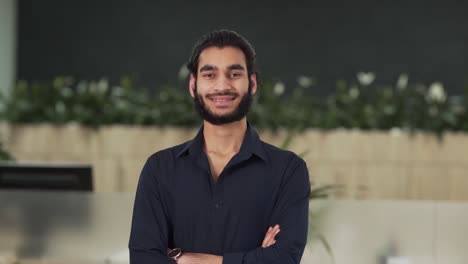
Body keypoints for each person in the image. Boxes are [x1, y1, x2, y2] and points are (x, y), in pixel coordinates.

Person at [129, 29, 310, 264]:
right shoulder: (160, 169)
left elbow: (283, 258)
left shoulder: (288, 170)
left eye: (234, 73)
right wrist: (255, 258)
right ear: (193, 85)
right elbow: (144, 258)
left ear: (252, 83)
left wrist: (188, 259)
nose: (222, 85)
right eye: (210, 75)